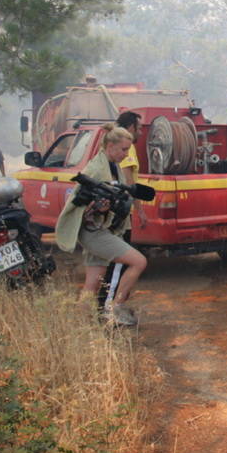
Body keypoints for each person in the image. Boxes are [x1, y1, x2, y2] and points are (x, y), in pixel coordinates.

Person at [56, 123, 147, 326]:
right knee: (138, 262)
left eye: (128, 149)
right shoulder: (96, 170)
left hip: (101, 228)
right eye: (123, 149)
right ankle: (115, 309)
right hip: (94, 232)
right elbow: (80, 205)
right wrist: (97, 208)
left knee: (92, 285)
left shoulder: (112, 166)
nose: (126, 154)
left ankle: (79, 327)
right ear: (110, 145)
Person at [96, 111, 145, 312]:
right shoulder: (127, 148)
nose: (141, 131)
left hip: (113, 218)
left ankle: (107, 304)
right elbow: (128, 184)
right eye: (139, 127)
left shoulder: (106, 155)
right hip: (119, 218)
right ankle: (110, 308)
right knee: (121, 263)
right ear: (131, 128)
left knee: (111, 265)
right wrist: (139, 210)